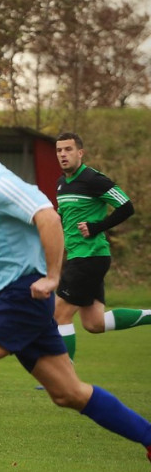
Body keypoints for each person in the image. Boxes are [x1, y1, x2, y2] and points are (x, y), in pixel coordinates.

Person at [0, 119, 151, 472]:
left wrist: (53, 276)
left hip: (20, 296)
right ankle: (149, 437)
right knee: (69, 393)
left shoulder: (1, 183)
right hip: (17, 300)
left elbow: (49, 218)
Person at [53, 132, 149, 360]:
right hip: (79, 258)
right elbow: (63, 221)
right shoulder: (61, 184)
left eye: (68, 149)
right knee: (94, 323)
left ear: (80, 153)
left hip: (91, 256)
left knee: (59, 314)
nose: (63, 155)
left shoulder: (93, 179)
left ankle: (64, 378)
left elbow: (126, 206)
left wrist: (97, 227)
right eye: (59, 150)